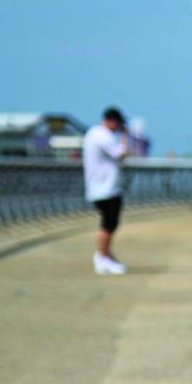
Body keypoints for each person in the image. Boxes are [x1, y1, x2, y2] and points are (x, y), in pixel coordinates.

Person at [83, 106, 129, 275]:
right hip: (104, 188)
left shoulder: (93, 133)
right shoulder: (103, 136)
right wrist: (125, 136)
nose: (119, 127)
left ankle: (105, 255)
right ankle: (103, 257)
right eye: (119, 124)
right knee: (109, 224)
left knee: (109, 223)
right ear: (112, 121)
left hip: (101, 187)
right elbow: (122, 154)